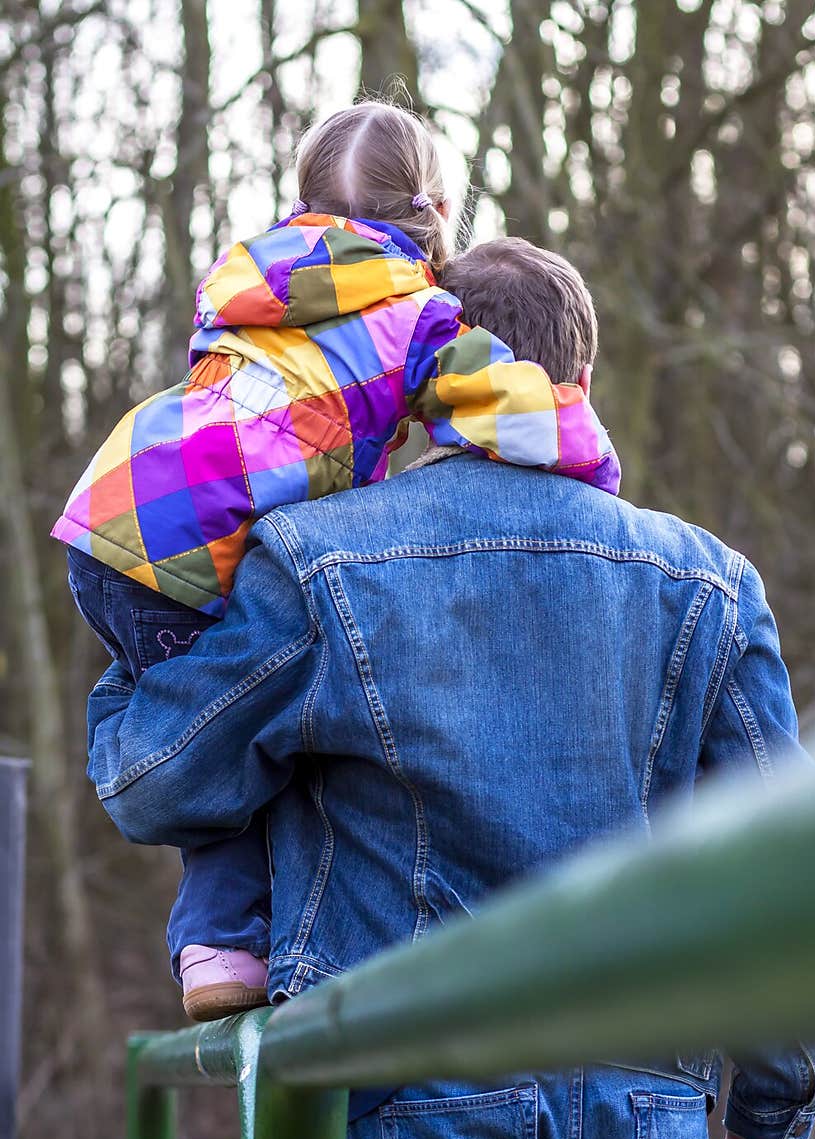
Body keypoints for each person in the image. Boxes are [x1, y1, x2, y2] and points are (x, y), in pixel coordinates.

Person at [84, 234, 815, 1139]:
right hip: (652, 1109)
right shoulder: (709, 583)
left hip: (429, 1108)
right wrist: (779, 1095)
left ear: (420, 385)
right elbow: (780, 861)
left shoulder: (321, 562)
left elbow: (160, 781)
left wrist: (134, 652)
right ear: (578, 387)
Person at [51, 101, 619, 1022]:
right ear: (434, 210)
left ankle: (218, 932)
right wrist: (592, 458)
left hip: (120, 501)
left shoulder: (256, 280)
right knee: (248, 735)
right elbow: (501, 402)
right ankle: (222, 948)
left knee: (212, 699)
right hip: (193, 541)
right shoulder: (417, 315)